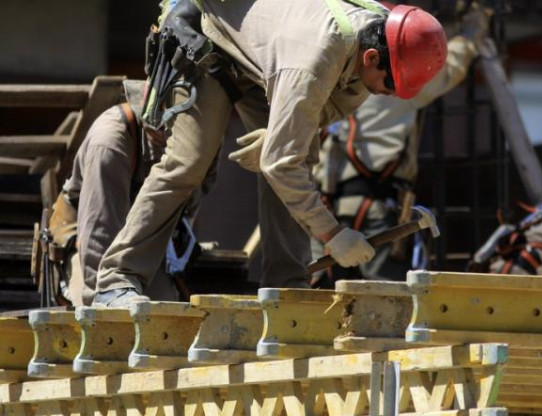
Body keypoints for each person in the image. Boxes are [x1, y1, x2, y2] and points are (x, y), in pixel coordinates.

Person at [93, 0, 448, 307]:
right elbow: (280, 165)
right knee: (189, 163)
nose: (388, 94)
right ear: (371, 58)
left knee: (299, 152)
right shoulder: (317, 56)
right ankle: (116, 280)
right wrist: (332, 234)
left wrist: (284, 133)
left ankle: (286, 287)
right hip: (209, 37)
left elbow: (328, 109)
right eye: (389, 85)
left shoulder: (380, 37)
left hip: (266, 62)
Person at [312, 4, 489, 283]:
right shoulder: (397, 81)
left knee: (321, 289)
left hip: (328, 207)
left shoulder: (344, 71)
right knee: (385, 291)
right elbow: (450, 68)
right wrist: (472, 30)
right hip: (376, 205)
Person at [44, 80, 215, 306]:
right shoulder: (109, 142)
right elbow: (97, 238)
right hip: (88, 244)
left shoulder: (204, 137)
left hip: (145, 241)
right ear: (157, 126)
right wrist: (102, 311)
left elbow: (191, 200)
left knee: (167, 317)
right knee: (98, 315)